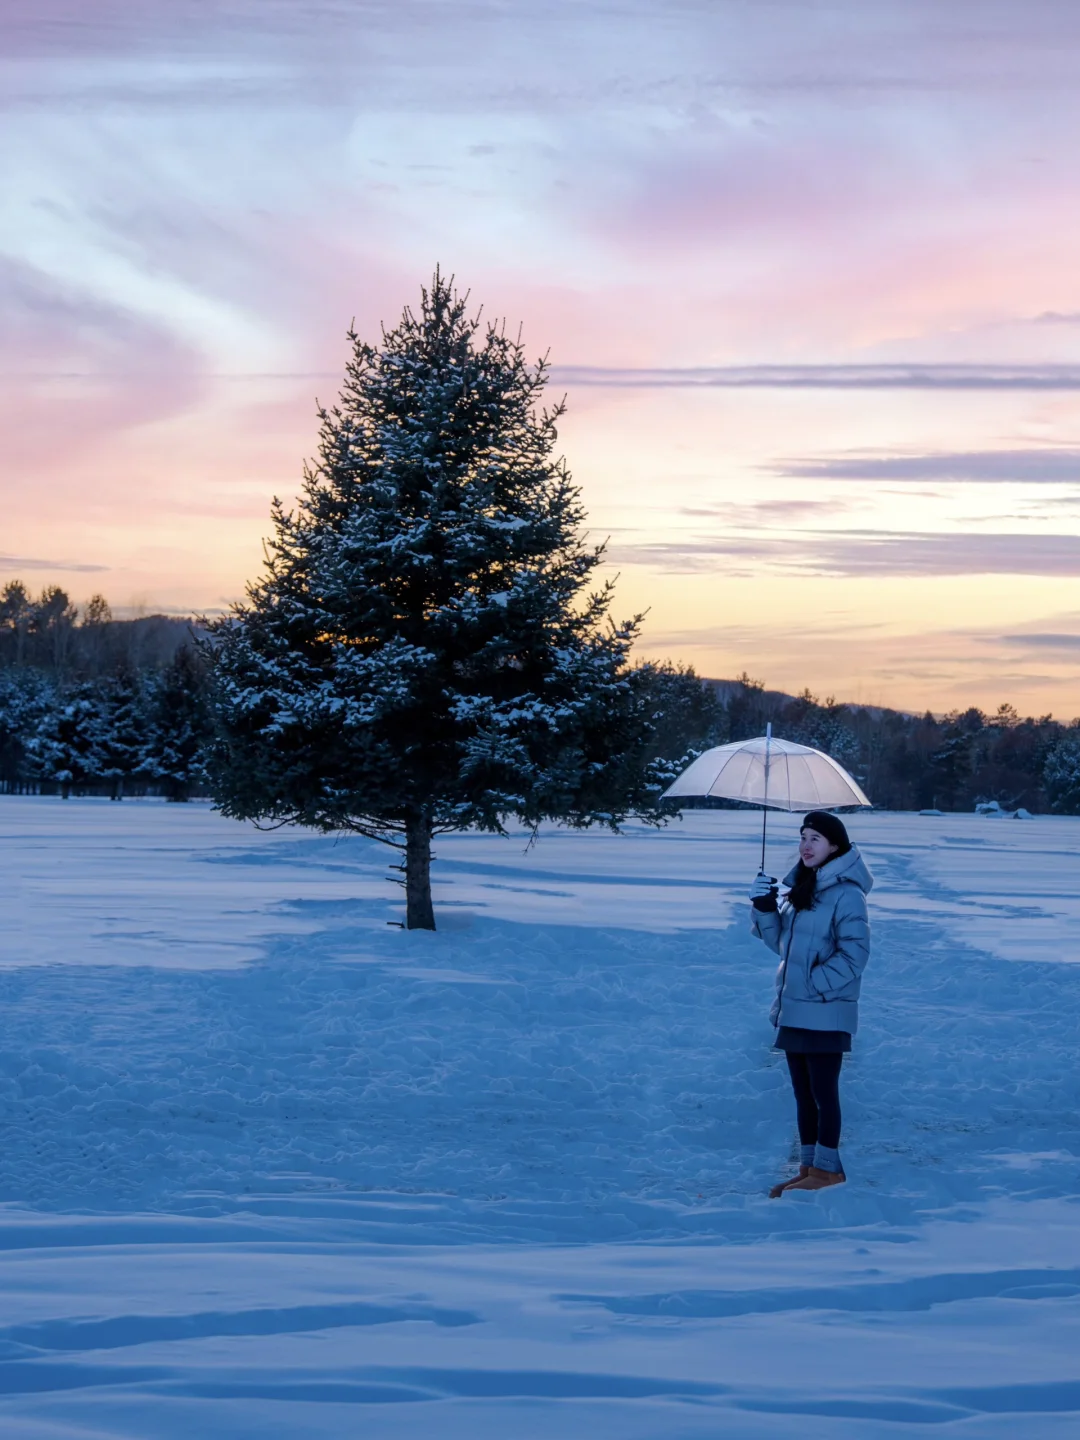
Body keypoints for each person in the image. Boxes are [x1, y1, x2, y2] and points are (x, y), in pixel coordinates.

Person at [748, 811, 873, 1194]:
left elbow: (856, 956)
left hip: (823, 1008)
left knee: (823, 1092)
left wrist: (814, 986)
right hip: (796, 1008)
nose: (805, 845)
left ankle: (828, 1171)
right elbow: (783, 946)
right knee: (804, 1095)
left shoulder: (847, 893)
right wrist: (766, 908)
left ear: (835, 846)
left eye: (815, 838)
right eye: (803, 837)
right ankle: (809, 1168)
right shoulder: (805, 889)